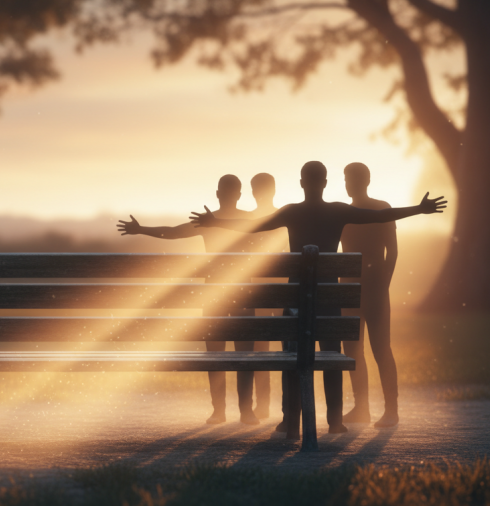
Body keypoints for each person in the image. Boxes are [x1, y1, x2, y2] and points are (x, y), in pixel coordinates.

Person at [189, 161, 446, 434]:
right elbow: (381, 216)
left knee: (291, 354)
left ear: (302, 183)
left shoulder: (291, 212)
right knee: (332, 353)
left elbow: (253, 225)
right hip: (329, 297)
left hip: (296, 298)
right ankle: (335, 420)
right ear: (325, 183)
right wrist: (419, 209)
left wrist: (216, 222)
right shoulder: (338, 211)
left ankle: (291, 419)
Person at [117, 175, 260, 425]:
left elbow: (173, 233)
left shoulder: (207, 221)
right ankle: (246, 411)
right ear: (239, 195)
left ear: (218, 194)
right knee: (245, 353)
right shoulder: (247, 220)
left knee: (215, 352)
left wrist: (141, 229)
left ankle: (219, 411)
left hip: (213, 291)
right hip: (243, 292)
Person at [340, 162, 400, 428]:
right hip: (359, 288)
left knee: (379, 349)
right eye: (346, 179)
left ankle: (390, 410)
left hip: (363, 287)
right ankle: (363, 408)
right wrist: (383, 284)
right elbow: (392, 252)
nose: (348, 184)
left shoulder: (353, 212)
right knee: (355, 350)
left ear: (365, 181)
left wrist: (383, 284)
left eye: (350, 179)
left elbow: (393, 252)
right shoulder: (375, 209)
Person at [244, 173, 290, 419]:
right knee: (286, 348)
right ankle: (286, 407)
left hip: (258, 289)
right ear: (274, 191)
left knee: (260, 348)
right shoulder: (285, 218)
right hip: (283, 289)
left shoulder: (247, 220)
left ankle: (262, 404)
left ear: (253, 192)